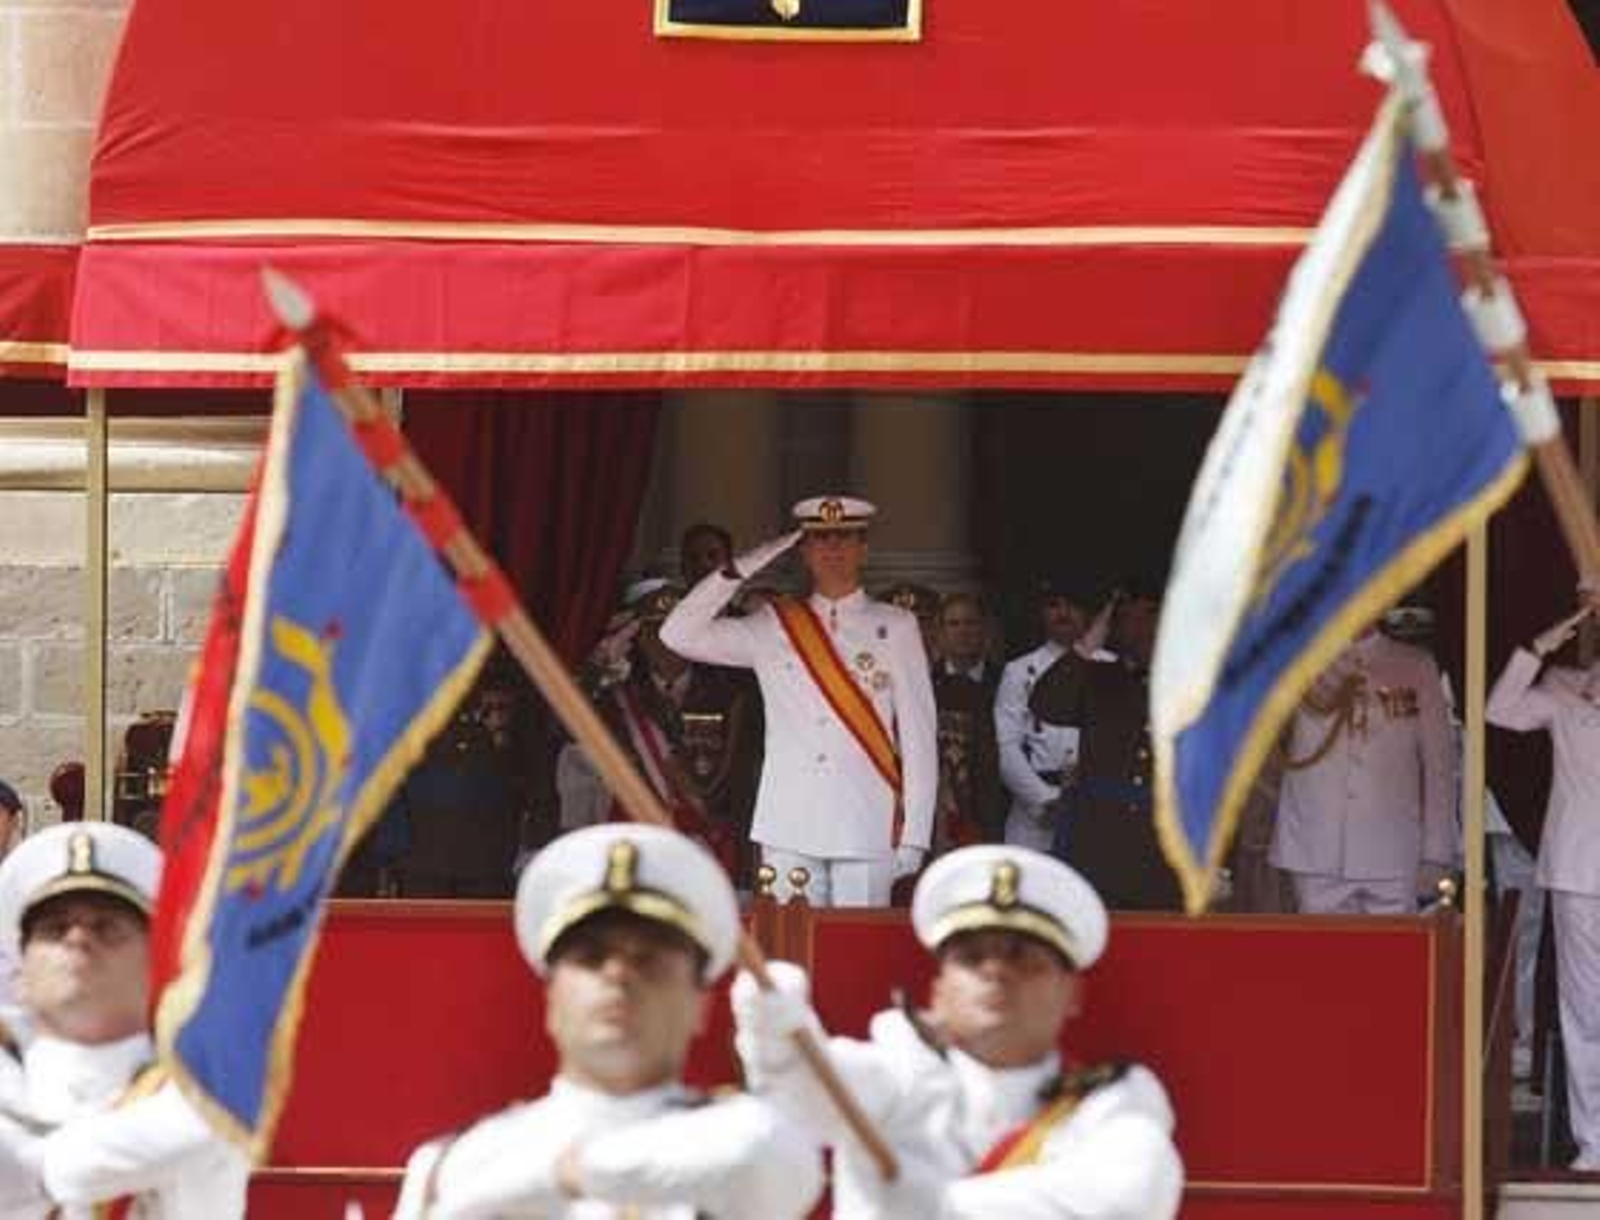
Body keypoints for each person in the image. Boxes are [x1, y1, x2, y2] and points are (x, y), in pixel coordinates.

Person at [394, 822, 823, 1218]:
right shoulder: (453, 1164)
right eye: (591, 958)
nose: (618, 975)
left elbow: (780, 1161)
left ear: (701, 1004)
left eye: (649, 960)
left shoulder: (743, 1144)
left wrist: (558, 1175)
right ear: (550, 998)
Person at [732, 843, 1184, 1218]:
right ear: (938, 988)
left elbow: (1129, 1194)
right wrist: (775, 1033)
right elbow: (799, 1097)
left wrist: (942, 1207)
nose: (996, 973)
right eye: (972, 958)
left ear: (1072, 993)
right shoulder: (894, 1074)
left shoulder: (1112, 1101)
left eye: (1024, 959)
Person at [660, 496, 938, 907]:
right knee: (790, 953)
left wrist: (914, 835)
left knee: (853, 955)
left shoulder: (895, 626)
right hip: (788, 822)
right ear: (803, 550)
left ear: (864, 548)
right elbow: (677, 634)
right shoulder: (773, 624)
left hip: (865, 823)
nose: (833, 549)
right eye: (820, 539)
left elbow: (918, 735)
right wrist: (743, 566)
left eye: (845, 538)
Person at [0, 822, 250, 1218]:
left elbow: (204, 1124)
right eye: (55, 928)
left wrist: (40, 1172)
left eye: (107, 927)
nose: (79, 939)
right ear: (18, 976)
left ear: (156, 968)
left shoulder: (195, 1099)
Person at [1486, 596, 1600, 1170]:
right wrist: (1538, 648)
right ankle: (1595, 1142)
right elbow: (1500, 710)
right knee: (1584, 1012)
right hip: (1580, 869)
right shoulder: (1564, 686)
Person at [1268, 618, 1456, 915]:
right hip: (1315, 845)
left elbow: (1438, 765)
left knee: (1394, 957)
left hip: (1393, 847)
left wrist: (1437, 852)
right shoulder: (1294, 655)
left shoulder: (1415, 663)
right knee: (1323, 956)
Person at [1030, 585, 1184, 910]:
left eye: (1151, 618)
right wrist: (1088, 643)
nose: (1142, 630)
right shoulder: (1096, 677)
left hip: (1167, 841)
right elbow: (1046, 704)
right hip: (1101, 839)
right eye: (1129, 620)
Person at [994, 579, 1091, 852]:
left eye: (1072, 606)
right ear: (1041, 614)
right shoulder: (1019, 670)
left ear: (1088, 614)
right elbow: (1005, 746)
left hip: (1095, 807)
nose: (1063, 613)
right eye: (1054, 605)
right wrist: (1044, 800)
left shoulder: (1110, 667)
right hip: (1034, 812)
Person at [931, 593, 1004, 850]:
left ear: (985, 630)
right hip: (937, 821)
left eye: (971, 623)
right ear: (939, 633)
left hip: (996, 815)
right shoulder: (922, 686)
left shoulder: (1006, 683)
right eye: (954, 624)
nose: (963, 631)